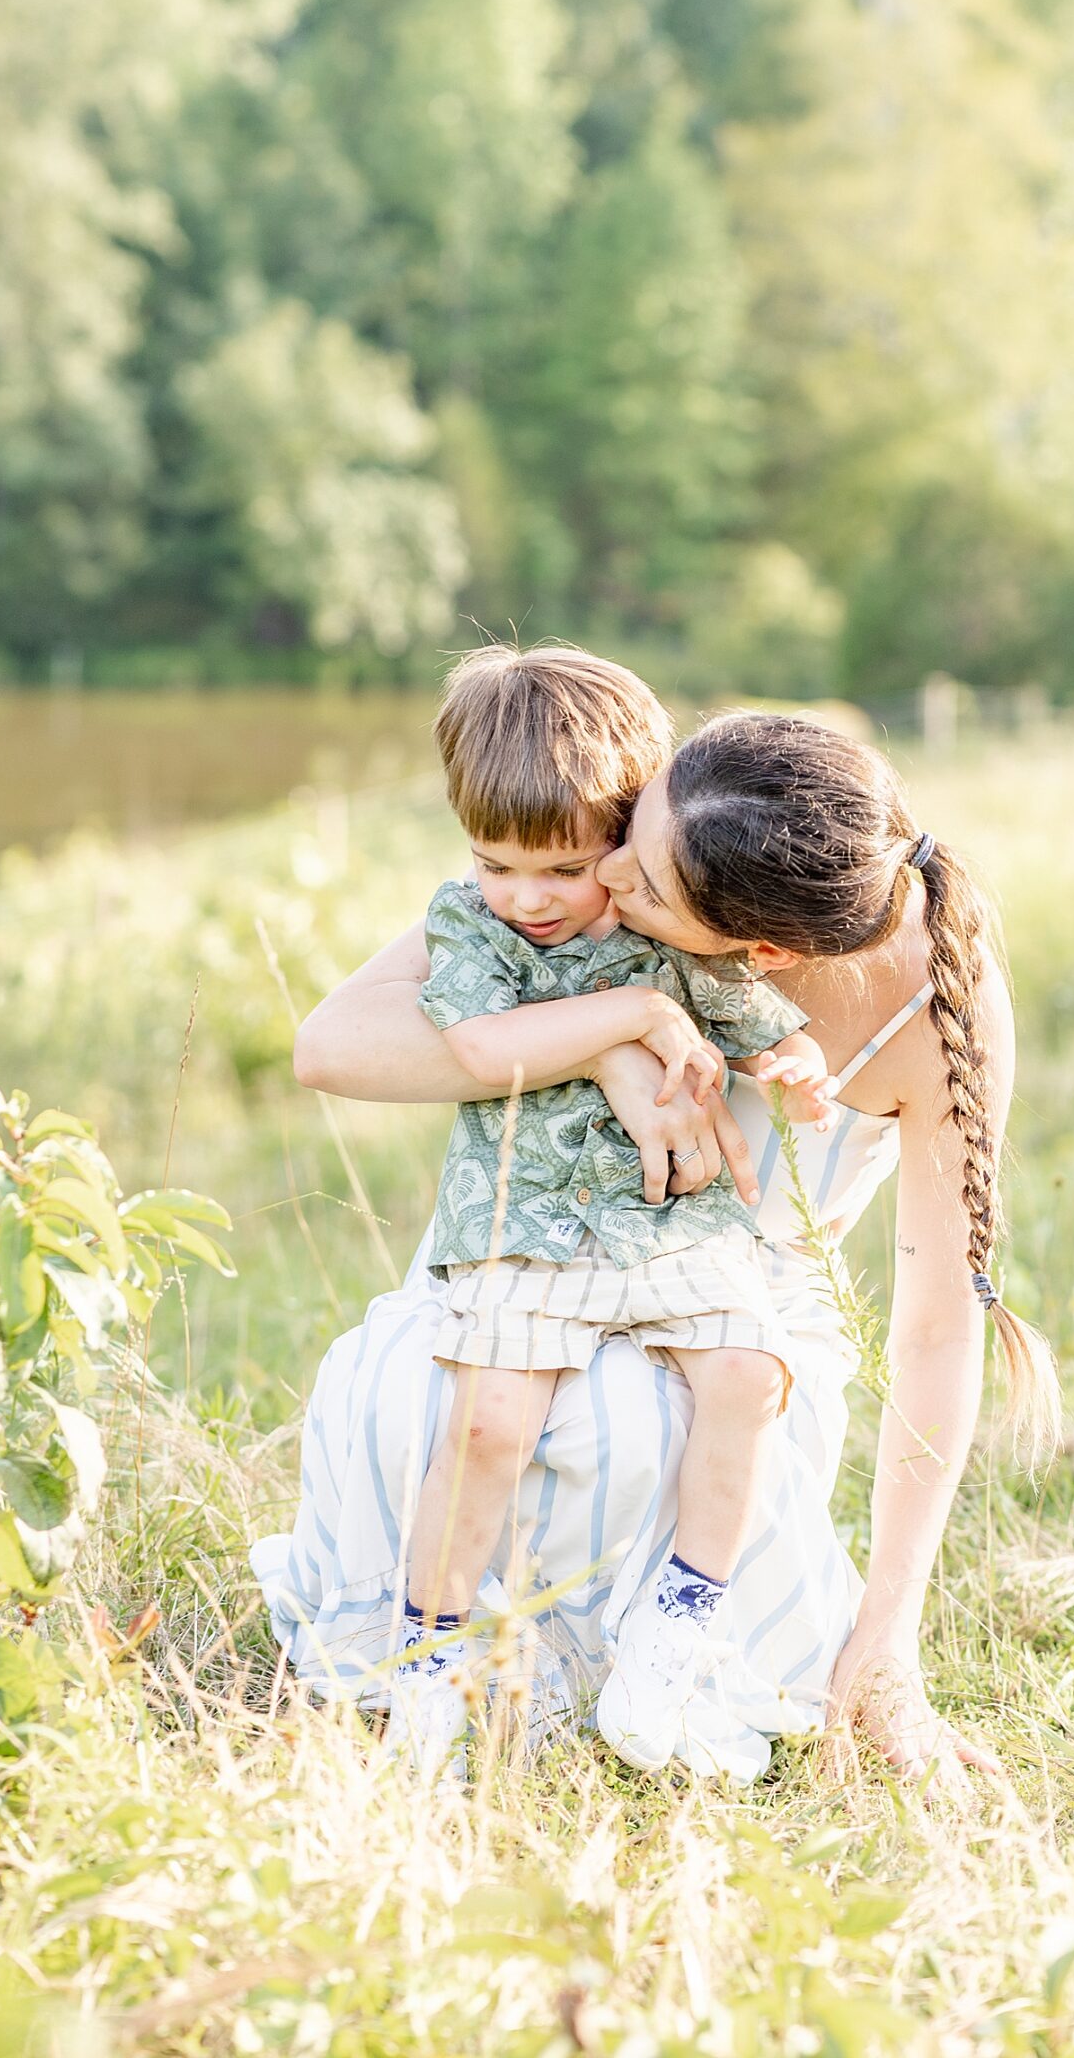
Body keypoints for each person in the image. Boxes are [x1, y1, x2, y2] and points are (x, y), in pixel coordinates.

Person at [253, 691, 1058, 1785]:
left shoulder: (927, 1002)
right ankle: (446, 1661)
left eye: (641, 882)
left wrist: (890, 1641)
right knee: (452, 1403)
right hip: (548, 1257)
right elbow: (334, 1043)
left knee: (643, 1427)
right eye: (629, 834)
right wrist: (606, 1044)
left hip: (736, 1301)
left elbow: (935, 1329)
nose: (610, 876)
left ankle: (651, 1655)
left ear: (757, 950)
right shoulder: (637, 849)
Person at [387, 646, 834, 1773]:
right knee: (489, 1424)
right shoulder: (473, 926)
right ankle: (427, 1655)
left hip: (672, 1220)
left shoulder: (666, 917)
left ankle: (678, 1622)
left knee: (750, 1376)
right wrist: (631, 1017)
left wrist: (795, 1067)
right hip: (526, 1222)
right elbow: (481, 1044)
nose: (528, 897)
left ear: (628, 835)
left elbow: (757, 1022)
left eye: (565, 868)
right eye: (495, 862)